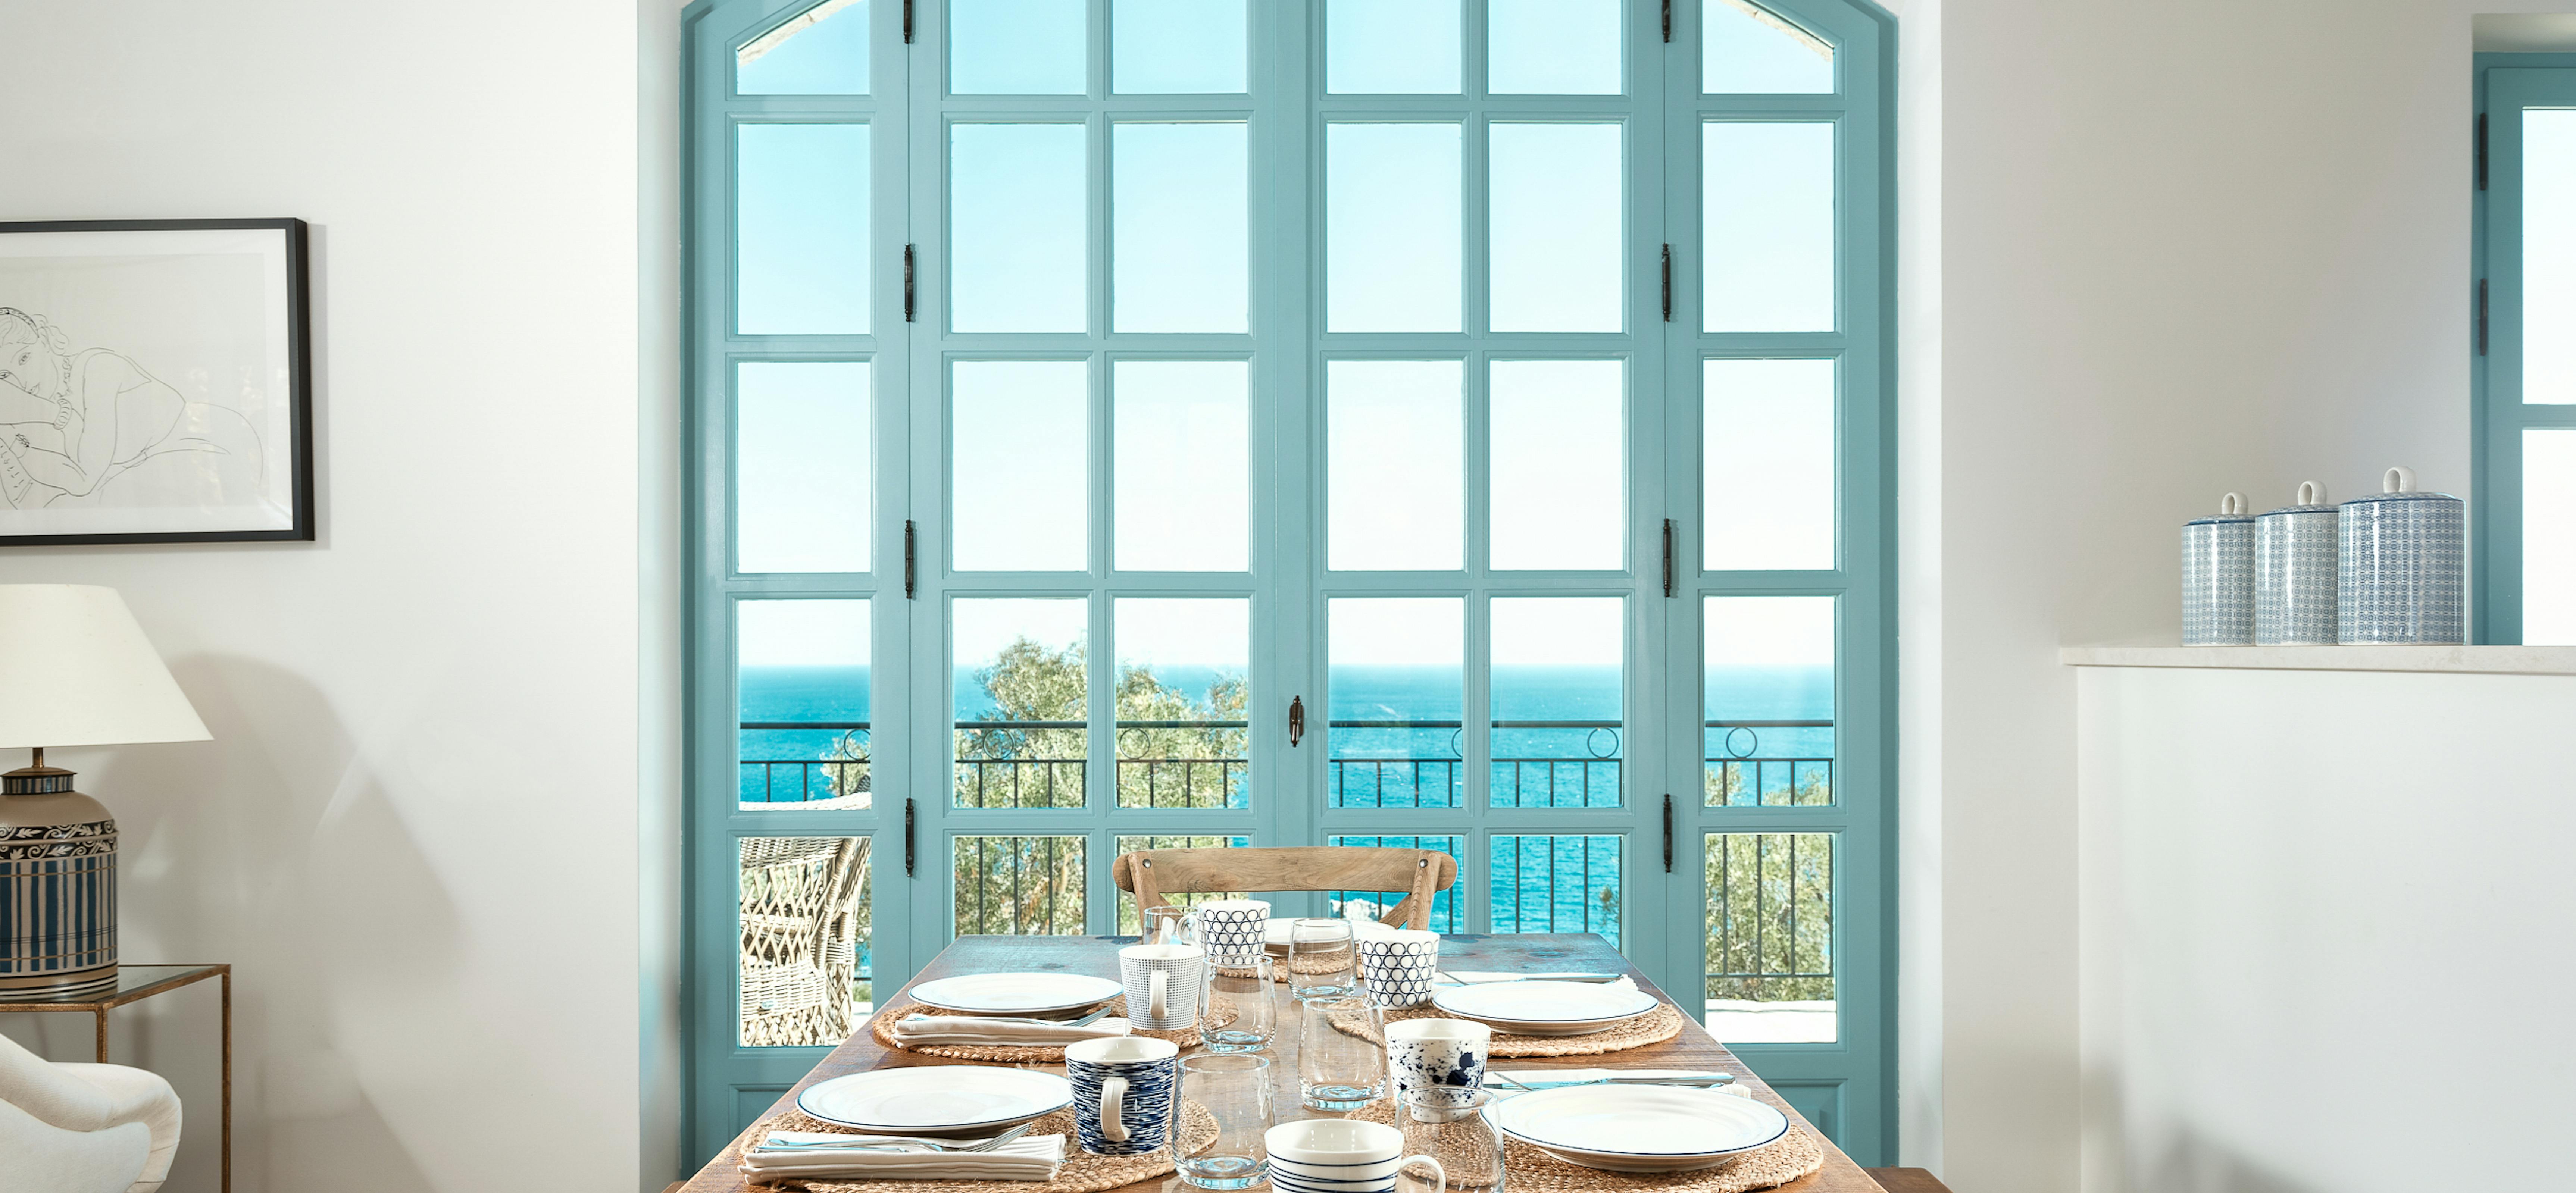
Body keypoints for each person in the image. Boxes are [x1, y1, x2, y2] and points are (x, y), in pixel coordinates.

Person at [0, 307, 265, 508]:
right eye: (4, 376)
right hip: (146, 473)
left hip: (197, 447)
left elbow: (83, 480)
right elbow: (39, 495)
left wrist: (35, 429)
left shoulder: (99, 368)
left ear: (44, 341)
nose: (22, 382)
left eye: (24, 358)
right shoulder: (44, 405)